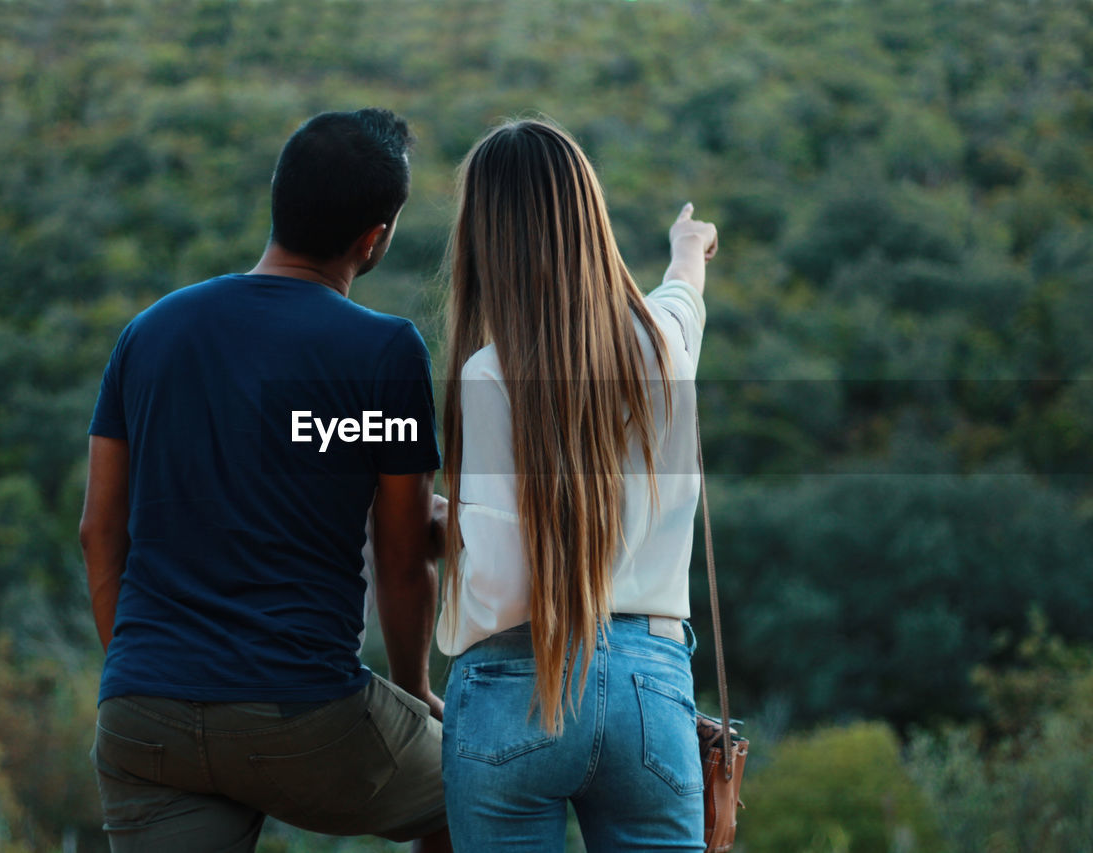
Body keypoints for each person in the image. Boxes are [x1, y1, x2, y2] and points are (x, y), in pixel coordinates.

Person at [80, 108, 451, 852]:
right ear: (373, 237)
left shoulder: (147, 333)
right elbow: (404, 556)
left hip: (142, 716)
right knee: (489, 782)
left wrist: (152, 672)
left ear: (278, 199)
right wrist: (413, 691)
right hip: (304, 716)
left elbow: (99, 530)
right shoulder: (385, 353)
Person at [436, 119, 718, 851]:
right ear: (589, 221)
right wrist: (689, 248)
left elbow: (500, 586)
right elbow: (683, 301)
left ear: (485, 239)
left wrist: (448, 532)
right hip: (650, 690)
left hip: (516, 689)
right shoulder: (664, 350)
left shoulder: (488, 374)